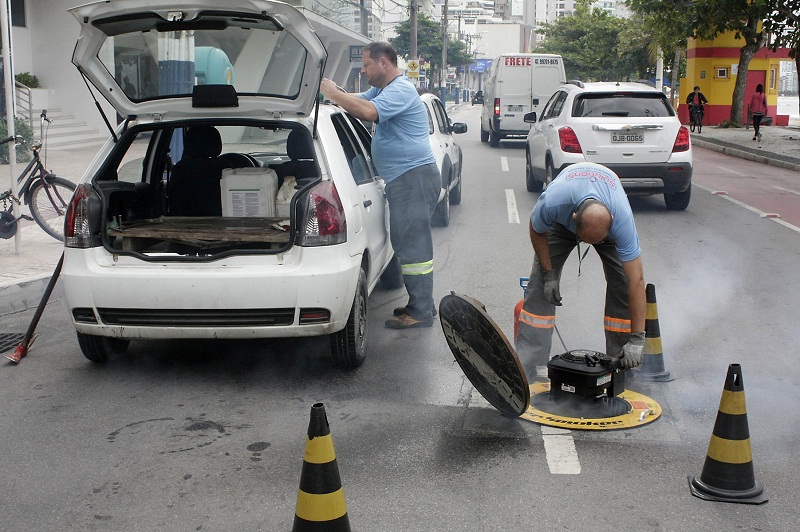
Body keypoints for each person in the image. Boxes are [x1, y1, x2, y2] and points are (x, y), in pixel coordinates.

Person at [320, 42, 440, 329]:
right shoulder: (384, 89)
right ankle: (420, 304)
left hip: (413, 178)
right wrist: (331, 93)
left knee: (414, 247)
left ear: (383, 62)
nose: (363, 71)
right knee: (408, 244)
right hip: (407, 179)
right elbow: (358, 99)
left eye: (366, 65)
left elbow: (368, 111)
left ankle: (421, 310)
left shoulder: (400, 90)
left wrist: (333, 93)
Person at [515, 162, 647, 380]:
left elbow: (636, 281)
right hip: (563, 225)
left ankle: (622, 362)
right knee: (539, 284)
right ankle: (530, 361)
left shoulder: (621, 220)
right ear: (575, 217)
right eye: (585, 240)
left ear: (612, 222)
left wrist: (638, 339)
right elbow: (536, 229)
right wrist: (549, 274)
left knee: (623, 284)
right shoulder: (554, 202)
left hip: (604, 227)